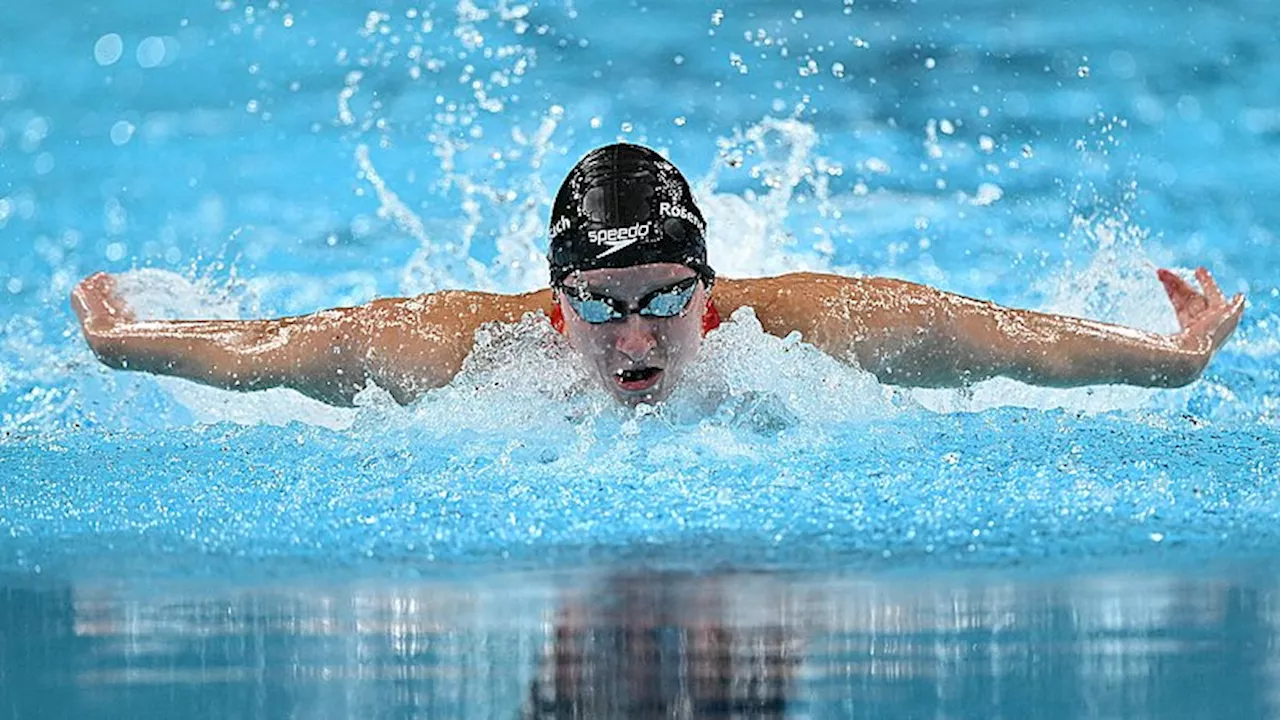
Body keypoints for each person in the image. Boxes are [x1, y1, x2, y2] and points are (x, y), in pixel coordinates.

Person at [72, 143, 1245, 408]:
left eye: (666, 299)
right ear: (554, 301)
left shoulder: (799, 329)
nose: (635, 339)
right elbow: (272, 350)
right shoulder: (462, 349)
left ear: (711, 291)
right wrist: (128, 343)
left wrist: (1171, 362)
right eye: (601, 306)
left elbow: (1005, 342)